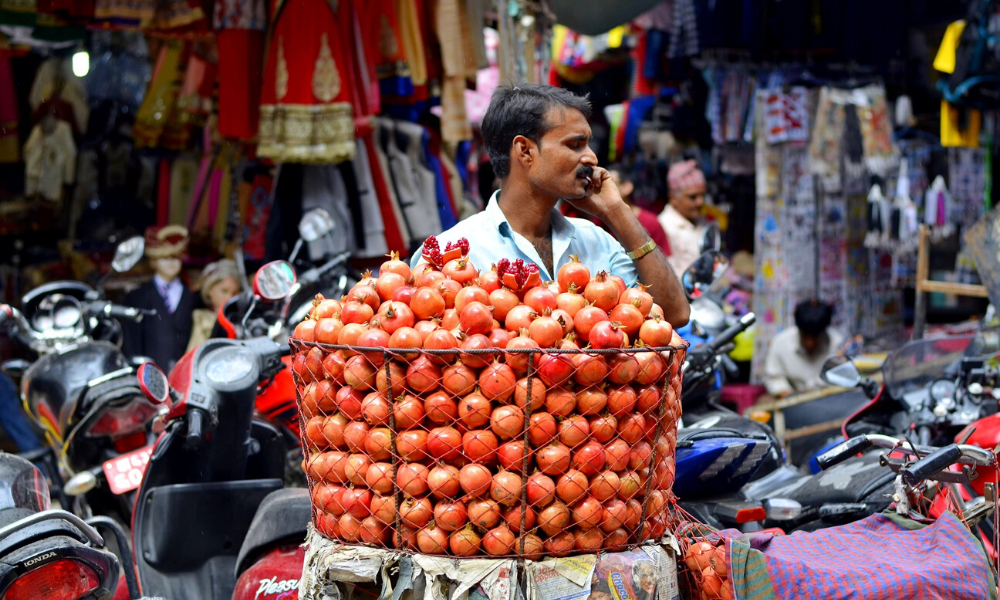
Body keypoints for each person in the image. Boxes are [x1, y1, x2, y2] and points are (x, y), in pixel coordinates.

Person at [413, 84, 689, 326]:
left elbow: (674, 315)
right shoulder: (452, 253)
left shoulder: (596, 240)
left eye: (588, 145)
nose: (592, 158)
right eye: (575, 145)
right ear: (525, 150)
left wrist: (617, 211)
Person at [122, 225, 195, 372]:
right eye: (165, 257)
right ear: (153, 261)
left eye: (176, 257)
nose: (171, 262)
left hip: (184, 374)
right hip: (149, 375)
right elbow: (130, 341)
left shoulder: (192, 296)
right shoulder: (137, 297)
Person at [763, 299, 845, 397]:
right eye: (805, 336)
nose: (810, 343)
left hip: (830, 400)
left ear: (824, 332)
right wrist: (787, 394)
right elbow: (774, 378)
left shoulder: (838, 345)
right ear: (798, 330)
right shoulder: (781, 343)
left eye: (815, 337)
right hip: (792, 402)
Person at [658, 159, 707, 277]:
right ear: (673, 198)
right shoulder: (664, 226)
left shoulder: (701, 221)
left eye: (702, 195)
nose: (700, 202)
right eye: (693, 197)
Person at [608, 167, 670, 253]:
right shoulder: (597, 223)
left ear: (627, 187)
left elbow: (665, 260)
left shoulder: (650, 223)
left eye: (609, 184)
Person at [187, 259, 242, 352]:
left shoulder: (241, 319)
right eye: (224, 291)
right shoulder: (200, 318)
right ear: (210, 290)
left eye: (234, 293)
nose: (229, 297)